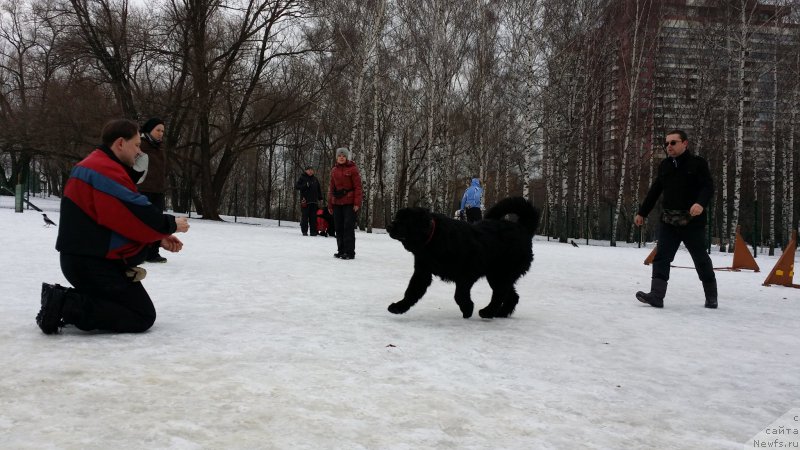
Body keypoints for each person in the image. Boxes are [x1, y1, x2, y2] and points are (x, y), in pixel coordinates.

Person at [36, 119, 190, 335]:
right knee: (141, 315)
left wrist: (156, 239)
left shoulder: (95, 166)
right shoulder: (103, 171)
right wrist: (171, 224)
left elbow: (115, 221)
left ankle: (67, 302)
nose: (139, 151)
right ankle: (63, 304)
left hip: (85, 259)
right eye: (136, 145)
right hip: (90, 263)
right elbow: (137, 212)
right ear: (120, 143)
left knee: (135, 309)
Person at [634, 129, 717, 309]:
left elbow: (708, 187)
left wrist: (700, 203)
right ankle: (656, 295)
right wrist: (642, 212)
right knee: (662, 257)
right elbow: (655, 190)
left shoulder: (698, 164)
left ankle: (711, 296)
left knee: (700, 258)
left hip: (692, 222)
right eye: (666, 143)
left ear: (685, 143)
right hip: (669, 221)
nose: (668, 146)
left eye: (673, 142)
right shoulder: (665, 165)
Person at [137, 117, 169, 263]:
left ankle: (153, 252)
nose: (161, 133)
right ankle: (138, 252)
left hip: (158, 190)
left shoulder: (160, 147)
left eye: (162, 130)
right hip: (142, 189)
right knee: (141, 222)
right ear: (149, 129)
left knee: (157, 222)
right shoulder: (140, 145)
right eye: (158, 130)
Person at [328, 147, 362, 260]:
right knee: (338, 227)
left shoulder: (353, 169)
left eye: (343, 156)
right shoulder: (334, 170)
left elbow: (358, 187)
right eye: (339, 156)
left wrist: (357, 203)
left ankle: (349, 252)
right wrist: (330, 204)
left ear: (346, 157)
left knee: (348, 227)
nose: (341, 158)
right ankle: (341, 250)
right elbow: (331, 188)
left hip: (349, 202)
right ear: (337, 157)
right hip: (337, 202)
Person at [295, 165, 323, 236]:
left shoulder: (315, 179)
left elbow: (318, 189)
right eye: (309, 170)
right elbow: (297, 186)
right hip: (305, 201)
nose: (310, 171)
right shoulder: (302, 177)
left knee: (313, 217)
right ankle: (304, 231)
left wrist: (320, 198)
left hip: (314, 201)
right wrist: (305, 185)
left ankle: (313, 232)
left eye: (311, 170)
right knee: (305, 217)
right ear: (306, 171)